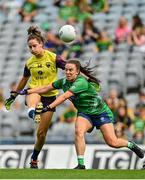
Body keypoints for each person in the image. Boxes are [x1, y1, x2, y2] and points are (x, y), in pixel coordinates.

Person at [16, 59, 144, 169]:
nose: (67, 72)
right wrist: (27, 91)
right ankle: (81, 164)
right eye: (66, 70)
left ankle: (131, 145)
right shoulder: (63, 82)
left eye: (71, 70)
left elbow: (65, 96)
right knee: (78, 132)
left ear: (77, 72)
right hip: (85, 113)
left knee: (113, 142)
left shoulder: (80, 82)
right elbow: (46, 88)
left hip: (100, 112)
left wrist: (48, 107)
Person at [4, 25, 66, 169]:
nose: (32, 50)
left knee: (42, 134)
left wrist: (84, 77)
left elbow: (70, 68)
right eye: (30, 47)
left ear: (41, 45)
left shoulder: (54, 57)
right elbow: (24, 80)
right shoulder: (29, 62)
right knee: (33, 94)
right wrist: (13, 96)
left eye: (34, 46)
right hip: (34, 91)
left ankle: (34, 158)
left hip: (50, 96)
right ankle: (33, 111)